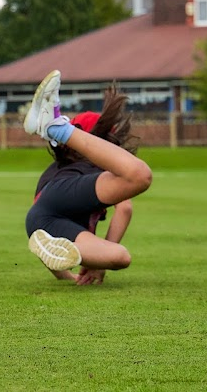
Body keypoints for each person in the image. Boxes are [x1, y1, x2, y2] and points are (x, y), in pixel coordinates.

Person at [22, 70, 153, 285]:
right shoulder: (93, 167)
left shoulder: (58, 170)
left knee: (119, 257)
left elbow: (42, 221)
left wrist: (67, 275)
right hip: (52, 207)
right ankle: (56, 127)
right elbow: (125, 207)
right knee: (139, 176)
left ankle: (56, 127)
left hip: (41, 222)